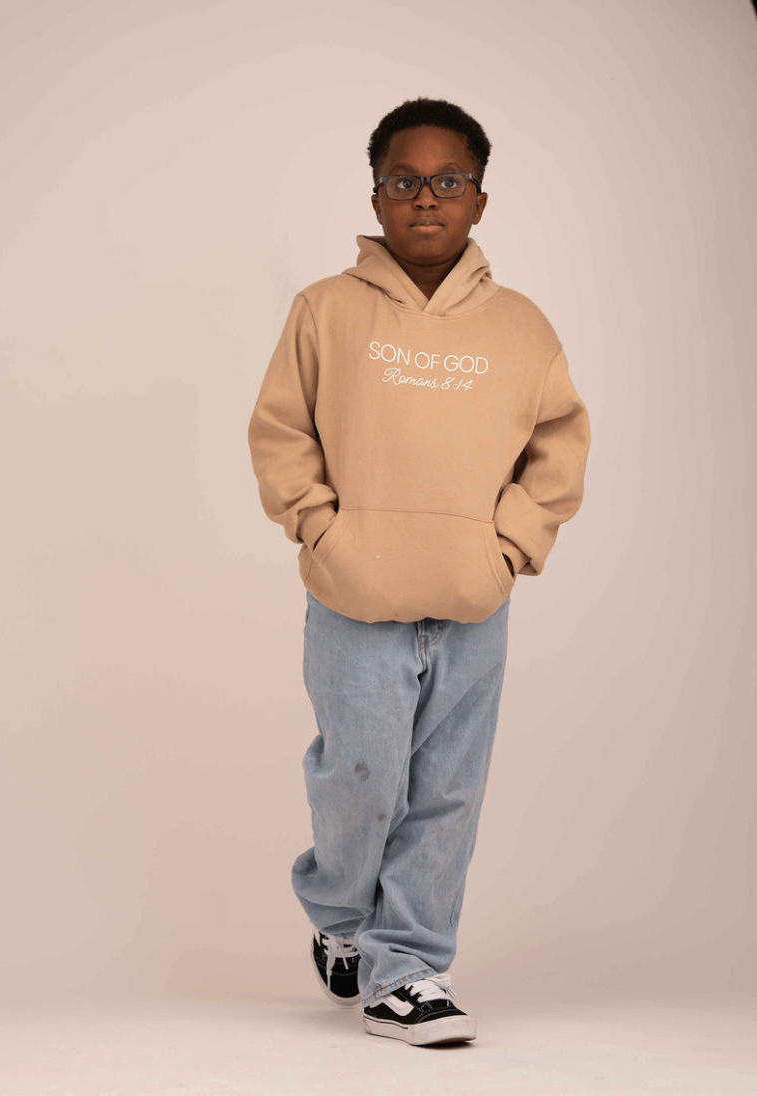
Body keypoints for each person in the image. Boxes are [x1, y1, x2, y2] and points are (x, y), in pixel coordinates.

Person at [248, 97, 589, 1046]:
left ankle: (408, 969)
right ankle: (339, 912)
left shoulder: (521, 327)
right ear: (376, 195)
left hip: (472, 602)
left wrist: (508, 548)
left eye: (448, 181)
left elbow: (559, 446)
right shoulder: (326, 310)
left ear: (479, 199)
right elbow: (281, 430)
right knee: (359, 777)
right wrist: (322, 531)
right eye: (404, 181)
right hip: (354, 595)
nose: (426, 198)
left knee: (447, 789)